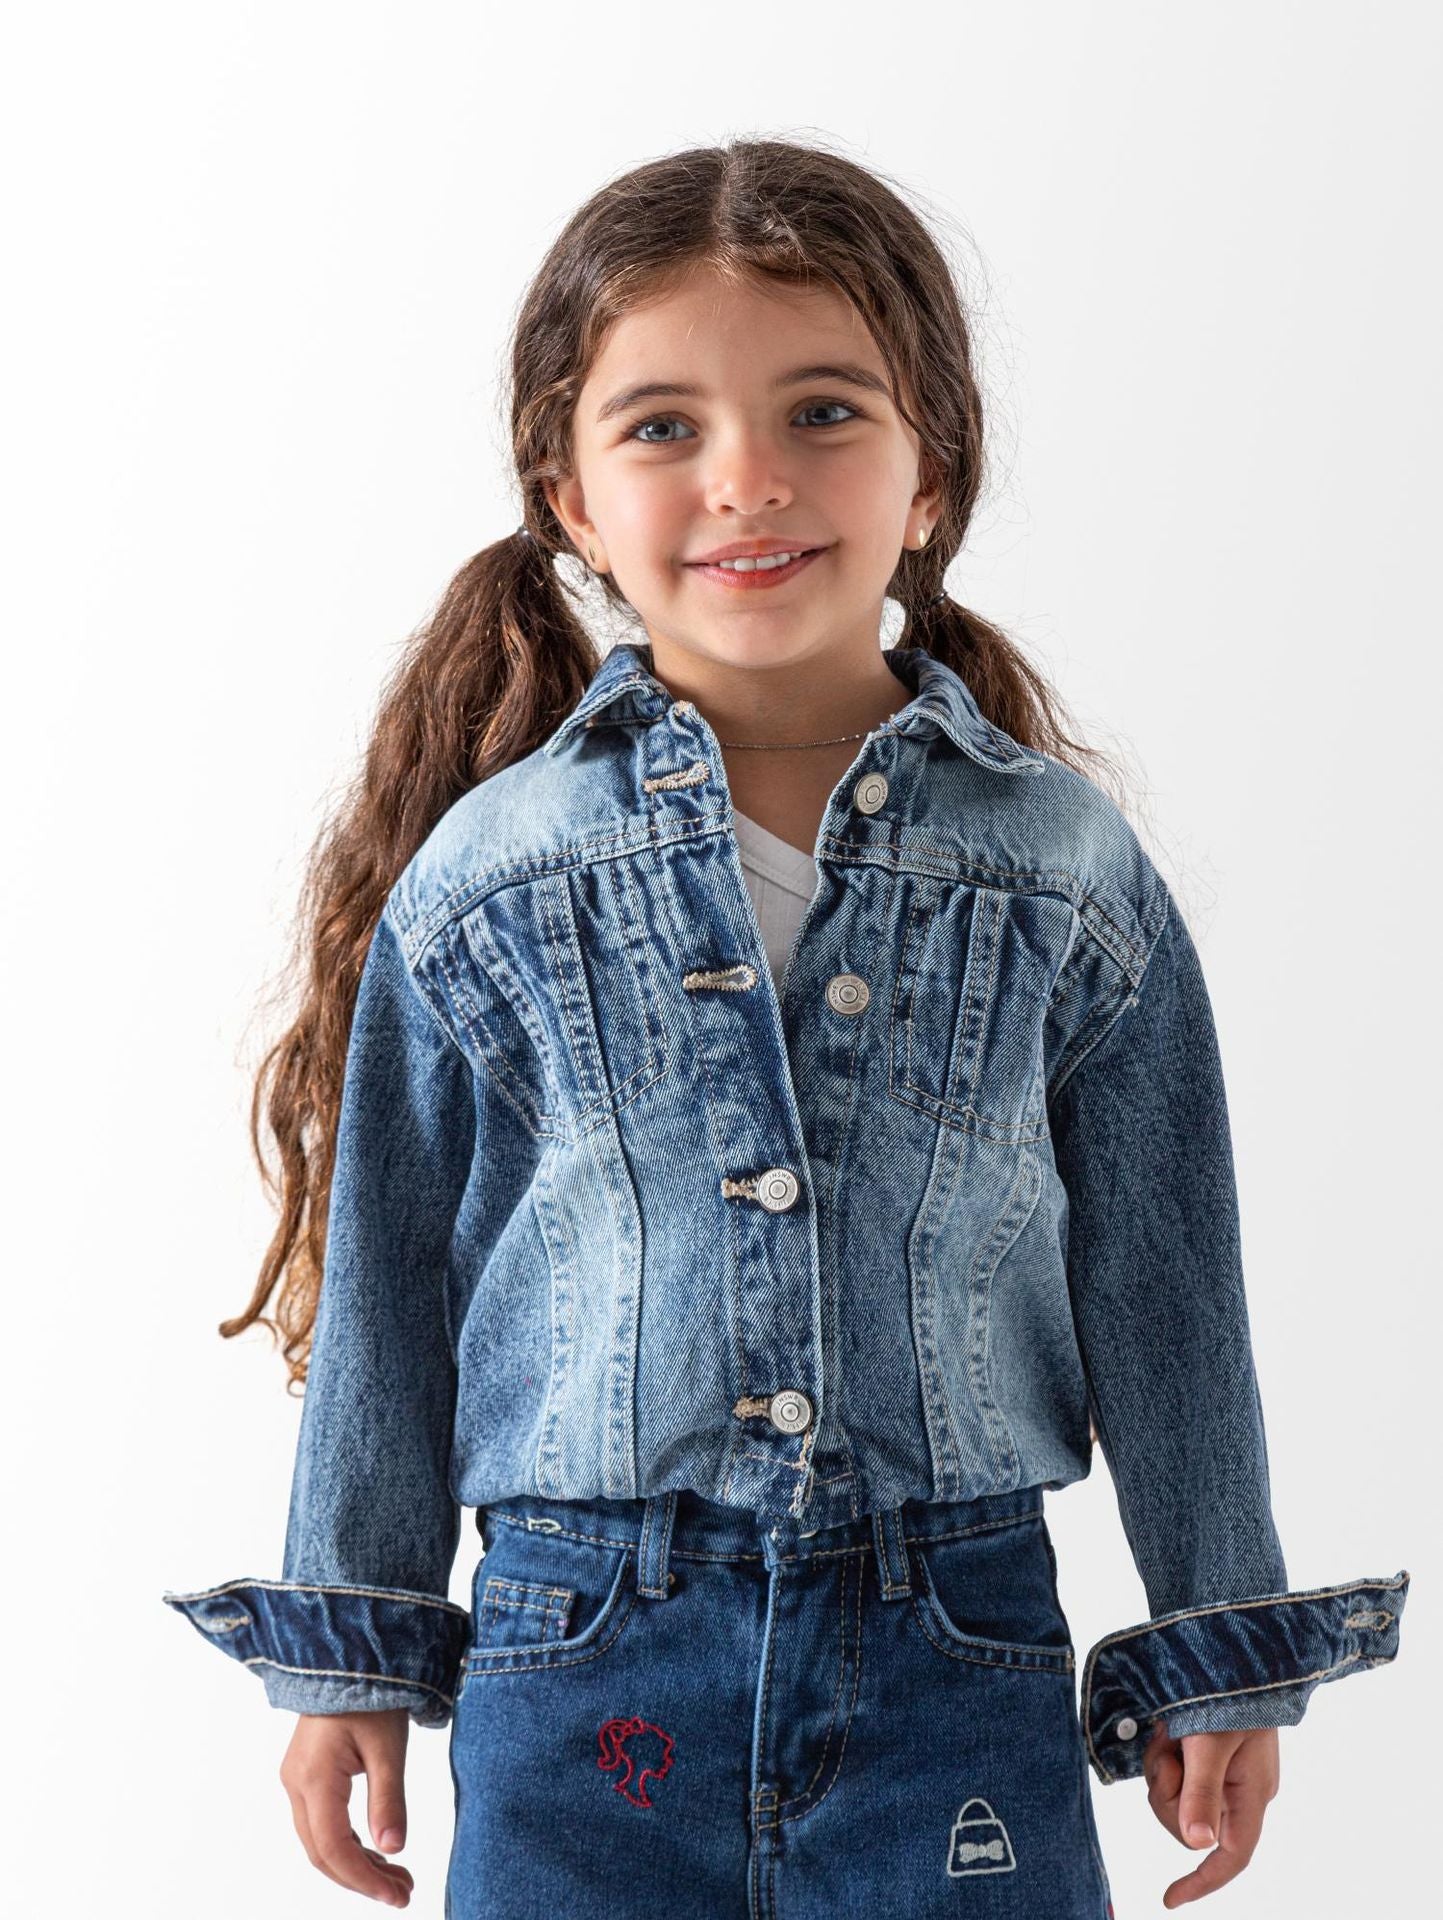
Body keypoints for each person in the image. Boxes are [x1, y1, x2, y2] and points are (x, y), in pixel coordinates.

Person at [162, 138, 1408, 1918]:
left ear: (930, 471)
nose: (747, 477)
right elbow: (392, 1279)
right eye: (663, 427)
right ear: (570, 499)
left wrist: (1218, 1633)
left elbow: (1165, 1279)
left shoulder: (1060, 870)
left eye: (823, 412)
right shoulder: (492, 875)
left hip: (955, 1654)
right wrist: (351, 1651)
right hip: (580, 1664)